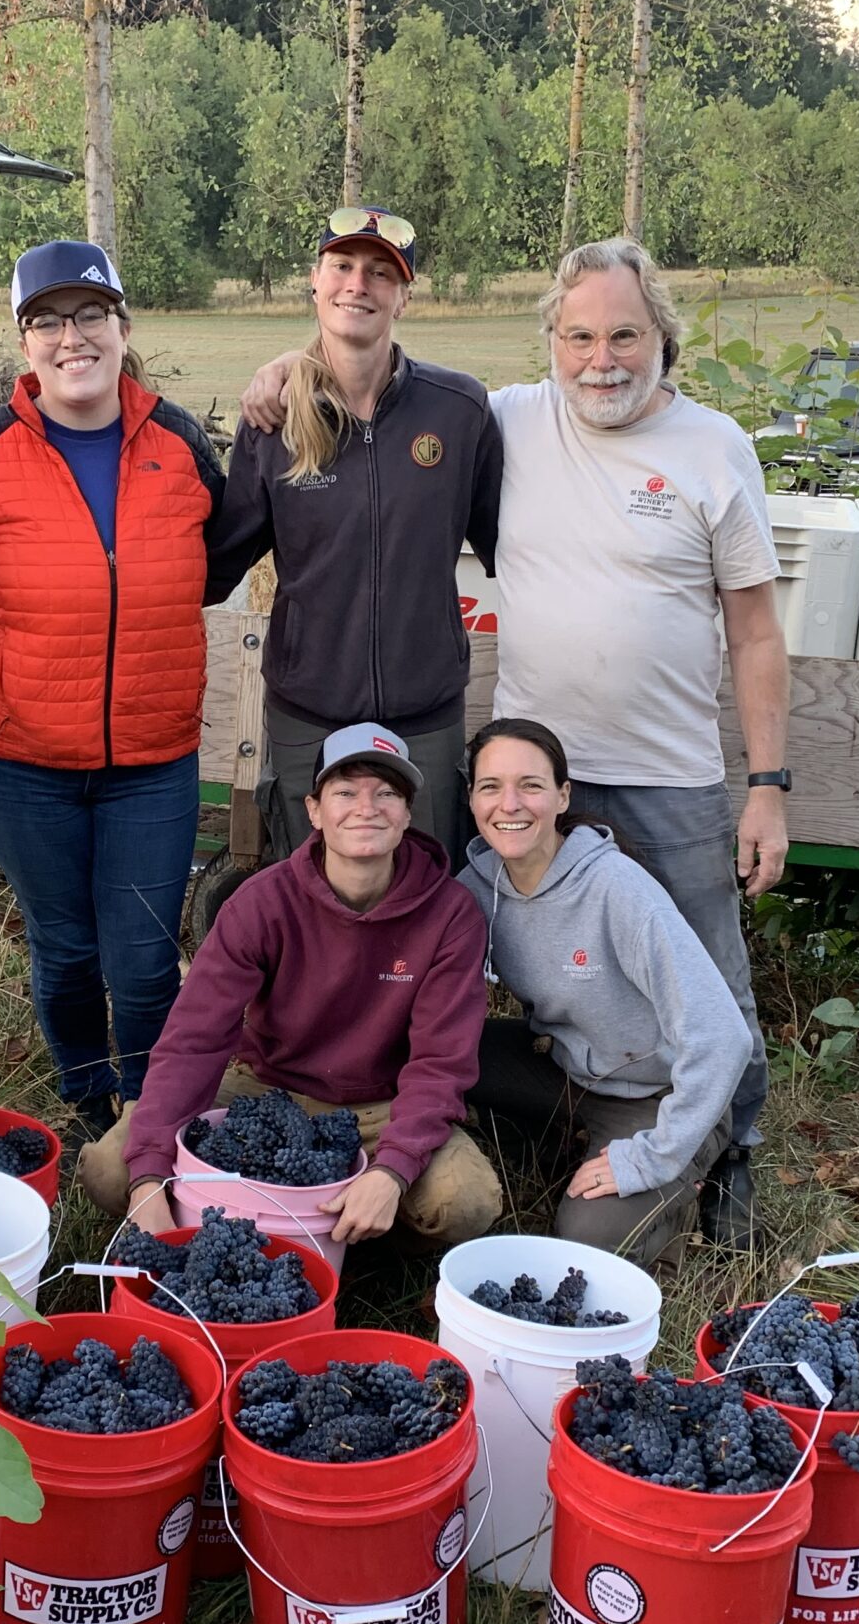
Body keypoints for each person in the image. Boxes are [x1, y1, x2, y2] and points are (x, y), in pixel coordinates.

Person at [241, 236, 789, 1248]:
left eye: (623, 333)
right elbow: (369, 381)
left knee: (709, 974)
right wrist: (290, 368)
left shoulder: (714, 448)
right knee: (480, 953)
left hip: (666, 772)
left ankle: (730, 1157)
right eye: (577, 335)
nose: (601, 358)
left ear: (659, 334)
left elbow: (755, 629)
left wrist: (767, 785)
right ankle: (492, 1119)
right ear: (550, 342)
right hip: (527, 783)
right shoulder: (507, 418)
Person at [0, 241, 235, 1139]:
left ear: (122, 327)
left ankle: (155, 1132)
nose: (70, 337)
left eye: (89, 316)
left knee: (147, 957)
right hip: (19, 758)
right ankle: (87, 1106)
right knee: (69, 950)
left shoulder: (182, 443)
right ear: (26, 340)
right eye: (47, 321)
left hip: (152, 758)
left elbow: (219, 564)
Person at [80, 722, 502, 1246]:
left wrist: (392, 1170)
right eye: (345, 791)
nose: (366, 807)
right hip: (262, 1087)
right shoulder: (263, 902)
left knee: (465, 1203)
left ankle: (357, 1226)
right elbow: (195, 1039)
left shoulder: (451, 914)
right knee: (110, 1171)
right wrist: (147, 1175)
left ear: (407, 813)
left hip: (382, 1104)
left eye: (387, 793)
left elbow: (441, 1063)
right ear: (314, 811)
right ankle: (297, 1218)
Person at [204, 208, 502, 863]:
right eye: (342, 266)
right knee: (311, 906)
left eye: (379, 272)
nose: (357, 284)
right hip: (308, 713)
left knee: (423, 899)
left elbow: (511, 548)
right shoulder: (273, 419)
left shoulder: (459, 411)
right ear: (315, 281)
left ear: (404, 294)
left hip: (425, 714)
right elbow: (214, 564)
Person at [460, 718, 753, 1265]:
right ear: (472, 800)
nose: (511, 804)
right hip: (568, 1073)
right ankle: (554, 1151)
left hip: (657, 1095)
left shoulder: (615, 888)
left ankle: (679, 1184)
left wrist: (655, 1158)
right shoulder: (476, 889)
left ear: (562, 795)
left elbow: (723, 1036)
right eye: (491, 786)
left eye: (531, 785)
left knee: (586, 1245)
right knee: (449, 1050)